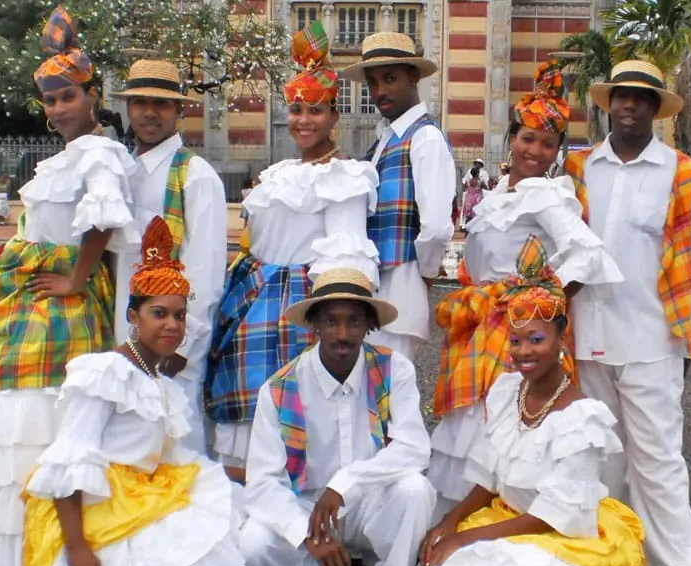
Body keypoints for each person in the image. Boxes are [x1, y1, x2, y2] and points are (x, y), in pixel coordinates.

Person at [2, 216, 279, 566]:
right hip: (99, 502)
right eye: (158, 314)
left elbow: (169, 459)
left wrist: (250, 472)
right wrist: (77, 547)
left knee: (222, 521)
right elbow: (68, 459)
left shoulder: (158, 380)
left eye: (177, 315)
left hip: (148, 490)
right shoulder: (105, 374)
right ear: (133, 316)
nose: (171, 325)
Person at [400, 279, 680, 566]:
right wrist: (449, 521)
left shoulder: (582, 418)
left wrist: (465, 536)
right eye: (516, 340)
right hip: (506, 516)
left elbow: (555, 515)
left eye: (536, 339)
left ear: (561, 341)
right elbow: (490, 475)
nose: (524, 351)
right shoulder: (507, 389)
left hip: (558, 533)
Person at [0, 6, 137, 566]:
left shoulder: (100, 153)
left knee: (45, 417)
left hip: (62, 301)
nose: (59, 108)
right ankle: (31, 556)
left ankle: (52, 556)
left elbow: (105, 219)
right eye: (51, 99)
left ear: (92, 95)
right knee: (23, 414)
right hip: (32, 298)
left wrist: (77, 277)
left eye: (69, 96)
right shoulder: (65, 157)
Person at [563, 59, 691, 566]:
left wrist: (690, 344)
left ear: (658, 108)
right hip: (587, 336)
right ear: (608, 104)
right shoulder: (578, 168)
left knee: (658, 459)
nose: (630, 106)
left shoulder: (685, 175)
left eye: (642, 98)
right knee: (601, 458)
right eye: (622, 96)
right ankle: (611, 562)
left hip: (654, 337)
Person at [429, 61, 623, 517]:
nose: (534, 150)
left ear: (558, 150)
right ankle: (451, 535)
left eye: (547, 143)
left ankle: (492, 537)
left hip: (513, 330)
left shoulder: (549, 195)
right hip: (479, 324)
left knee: (500, 432)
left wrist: (541, 301)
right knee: (468, 430)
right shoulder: (497, 194)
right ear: (511, 138)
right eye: (527, 138)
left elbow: (587, 254)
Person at [206, 22, 380, 476]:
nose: (304, 120)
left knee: (298, 410)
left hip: (302, 301)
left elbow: (346, 254)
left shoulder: (345, 176)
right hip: (250, 298)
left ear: (334, 116)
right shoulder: (278, 172)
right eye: (297, 109)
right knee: (247, 399)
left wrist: (336, 320)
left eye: (316, 111)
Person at [239, 267, 435, 566]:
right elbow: (262, 484)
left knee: (416, 490)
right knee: (254, 542)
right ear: (313, 324)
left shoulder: (394, 369)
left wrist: (343, 484)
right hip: (309, 507)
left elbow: (414, 448)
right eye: (331, 321)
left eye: (354, 321)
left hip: (366, 503)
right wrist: (307, 534)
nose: (343, 334)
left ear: (370, 325)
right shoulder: (278, 389)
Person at [110, 58, 227, 457]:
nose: (148, 112)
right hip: (124, 333)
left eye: (160, 104)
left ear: (179, 110)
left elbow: (207, 276)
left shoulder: (194, 175)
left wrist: (181, 346)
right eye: (139, 102)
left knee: (179, 445)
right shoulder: (120, 174)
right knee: (130, 443)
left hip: (173, 345)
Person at [340, 32, 456, 362]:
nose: (380, 91)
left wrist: (425, 275)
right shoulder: (383, 142)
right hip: (376, 290)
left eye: (389, 79)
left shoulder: (425, 138)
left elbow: (435, 226)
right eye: (373, 82)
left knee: (389, 400)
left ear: (413, 76)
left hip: (401, 291)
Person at [459, 158, 489, 229]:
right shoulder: (470, 171)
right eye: (476, 163)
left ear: (481, 165)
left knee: (471, 213)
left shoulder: (484, 173)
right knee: (473, 213)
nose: (477, 164)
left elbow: (486, 182)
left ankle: (469, 227)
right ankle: (465, 226)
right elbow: (464, 181)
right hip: (476, 197)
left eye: (479, 163)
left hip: (471, 196)